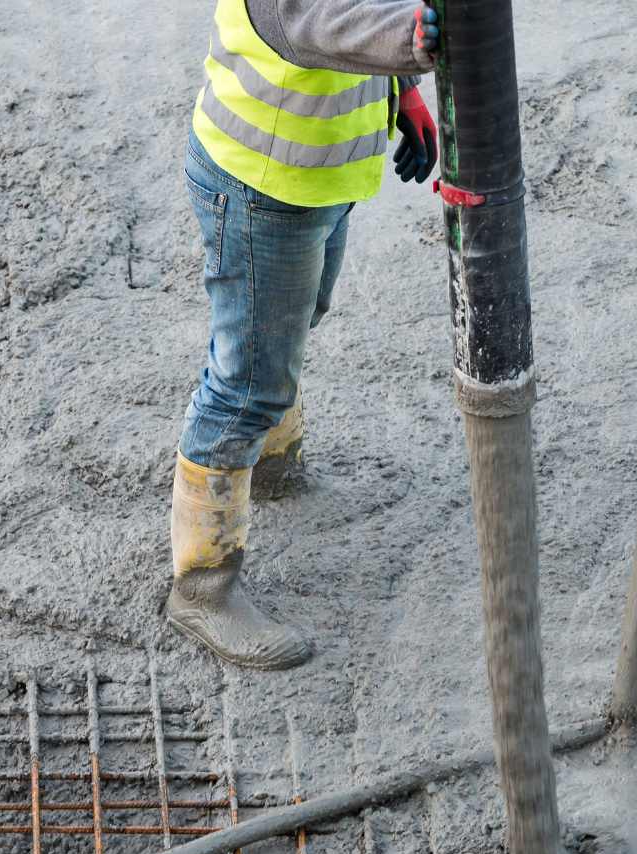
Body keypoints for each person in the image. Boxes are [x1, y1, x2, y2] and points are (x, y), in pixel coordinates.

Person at [170, 0, 442, 670]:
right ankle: (202, 587)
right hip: (262, 183)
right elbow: (309, 18)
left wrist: (401, 89)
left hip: (315, 176)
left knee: (291, 324)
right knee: (248, 384)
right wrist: (406, 39)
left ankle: (267, 465)